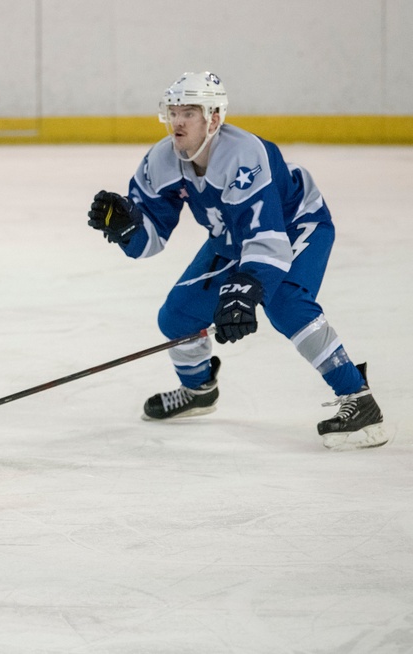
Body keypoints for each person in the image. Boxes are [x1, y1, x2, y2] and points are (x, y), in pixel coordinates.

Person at [86, 71, 386, 451]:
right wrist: (128, 229)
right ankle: (198, 391)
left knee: (285, 303)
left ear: (213, 118)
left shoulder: (244, 155)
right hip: (232, 240)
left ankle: (359, 399)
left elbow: (269, 240)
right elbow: (151, 241)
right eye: (173, 111)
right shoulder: (161, 160)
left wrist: (247, 289)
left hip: (295, 226)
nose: (177, 121)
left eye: (189, 112)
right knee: (177, 316)